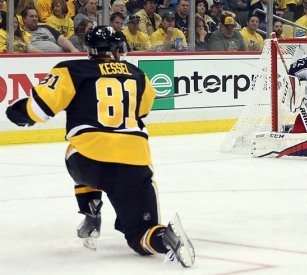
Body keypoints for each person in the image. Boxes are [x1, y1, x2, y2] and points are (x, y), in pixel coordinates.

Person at [5, 25, 195, 268]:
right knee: (140, 235)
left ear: (89, 50)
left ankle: (90, 209)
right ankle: (165, 238)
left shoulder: (70, 70)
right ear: (117, 50)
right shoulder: (137, 74)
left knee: (77, 147)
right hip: (134, 164)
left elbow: (38, 110)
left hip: (87, 162)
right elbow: (143, 110)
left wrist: (17, 111)